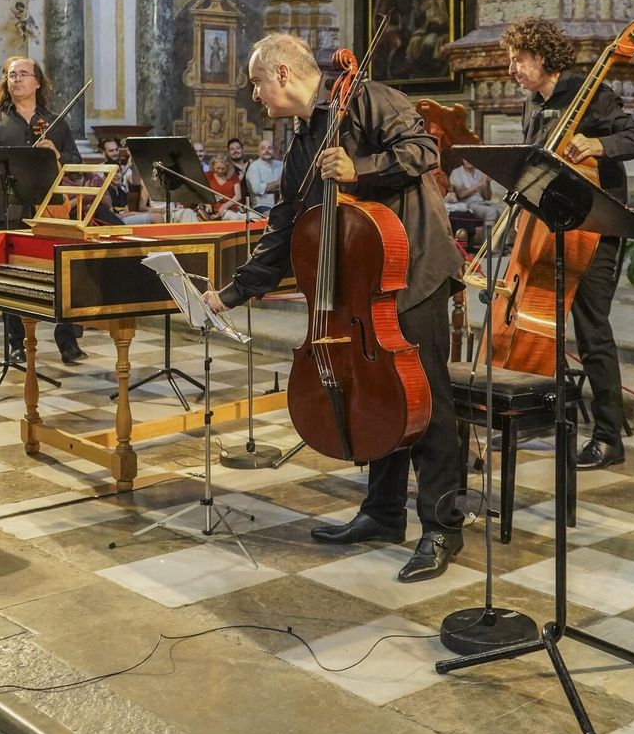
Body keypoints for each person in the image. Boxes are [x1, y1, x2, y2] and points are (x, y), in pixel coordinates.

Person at [202, 34, 466, 582]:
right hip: (361, 290)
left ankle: (442, 529)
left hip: (413, 271)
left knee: (430, 402)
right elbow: (285, 227)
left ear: (280, 73)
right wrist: (232, 293)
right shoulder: (301, 142)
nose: (255, 96)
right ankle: (382, 513)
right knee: (382, 397)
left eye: (255, 84)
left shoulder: (367, 98)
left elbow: (424, 152)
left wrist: (359, 167)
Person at [502, 17, 634, 469]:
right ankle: (527, 417)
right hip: (546, 228)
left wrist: (595, 144)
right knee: (533, 324)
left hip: (593, 228)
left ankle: (608, 438)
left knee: (592, 332)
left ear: (541, 57)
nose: (511, 69)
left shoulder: (590, 92)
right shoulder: (533, 104)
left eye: (518, 60)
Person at [0, 56, 85, 364]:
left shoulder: (55, 123)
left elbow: (75, 162)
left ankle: (67, 341)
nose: (17, 79)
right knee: (11, 280)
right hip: (7, 211)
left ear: (38, 82)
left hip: (49, 211)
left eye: (24, 74)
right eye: (11, 75)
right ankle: (16, 343)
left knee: (60, 274)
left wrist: (57, 152)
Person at [444, 158, 502, 225]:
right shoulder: (457, 173)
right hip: (468, 204)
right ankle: (487, 235)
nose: (468, 161)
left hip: (482, 203)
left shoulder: (479, 172)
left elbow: (487, 197)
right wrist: (479, 184)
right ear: (462, 159)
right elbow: (461, 195)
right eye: (466, 159)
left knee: (503, 211)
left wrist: (487, 182)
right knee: (492, 212)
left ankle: (504, 235)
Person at [242, 138, 283, 213]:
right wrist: (277, 183)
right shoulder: (254, 167)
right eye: (263, 148)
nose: (267, 151)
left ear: (274, 151)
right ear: (258, 152)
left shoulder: (282, 165)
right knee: (275, 216)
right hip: (262, 205)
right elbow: (257, 189)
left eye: (270, 148)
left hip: (282, 204)